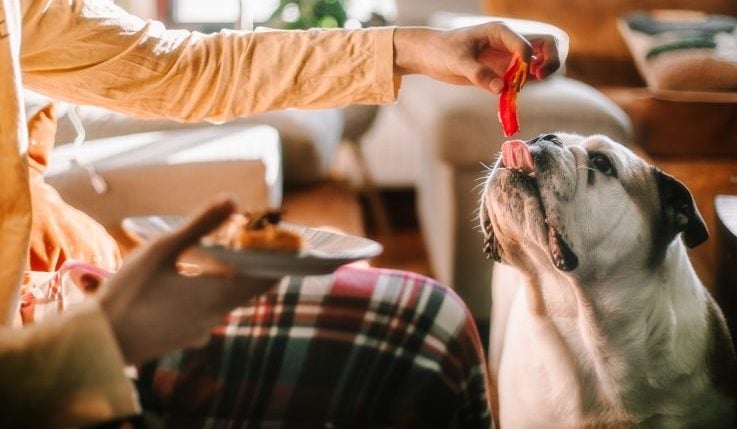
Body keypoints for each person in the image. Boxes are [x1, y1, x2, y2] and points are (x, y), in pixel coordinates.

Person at [0, 0, 562, 426]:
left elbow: (180, 68)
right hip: (48, 368)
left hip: (61, 314)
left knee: (427, 319)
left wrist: (411, 49)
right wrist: (100, 341)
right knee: (423, 335)